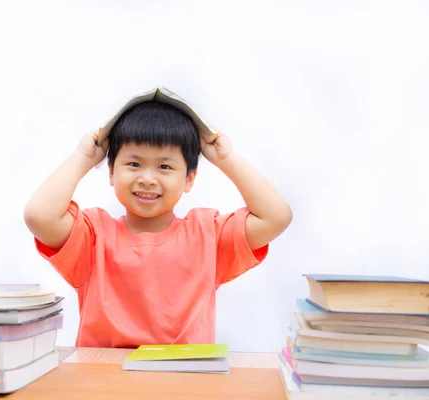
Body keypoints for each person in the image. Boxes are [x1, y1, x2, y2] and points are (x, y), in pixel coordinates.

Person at [24, 99, 292, 348]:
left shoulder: (207, 234)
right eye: (133, 163)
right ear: (111, 173)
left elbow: (275, 217)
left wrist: (226, 159)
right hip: (104, 383)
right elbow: (40, 216)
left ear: (189, 179)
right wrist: (83, 158)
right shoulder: (93, 235)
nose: (147, 179)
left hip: (184, 383)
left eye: (164, 167)